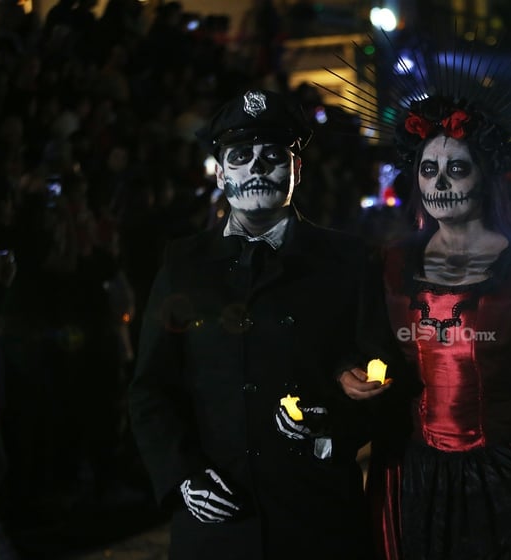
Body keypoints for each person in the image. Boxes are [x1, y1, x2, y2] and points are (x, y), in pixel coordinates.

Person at [340, 96, 511, 559]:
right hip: (411, 475)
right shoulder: (390, 263)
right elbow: (365, 345)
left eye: (457, 170)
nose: (439, 183)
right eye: (428, 170)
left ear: (485, 175)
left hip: (508, 473)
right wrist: (350, 371)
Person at [128, 88, 389, 560]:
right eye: (241, 155)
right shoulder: (184, 264)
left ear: (297, 168)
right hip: (217, 522)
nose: (257, 167)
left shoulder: (347, 260)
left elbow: (382, 369)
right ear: (222, 170)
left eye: (273, 155)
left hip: (318, 517)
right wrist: (183, 475)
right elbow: (151, 388)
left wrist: (332, 422)